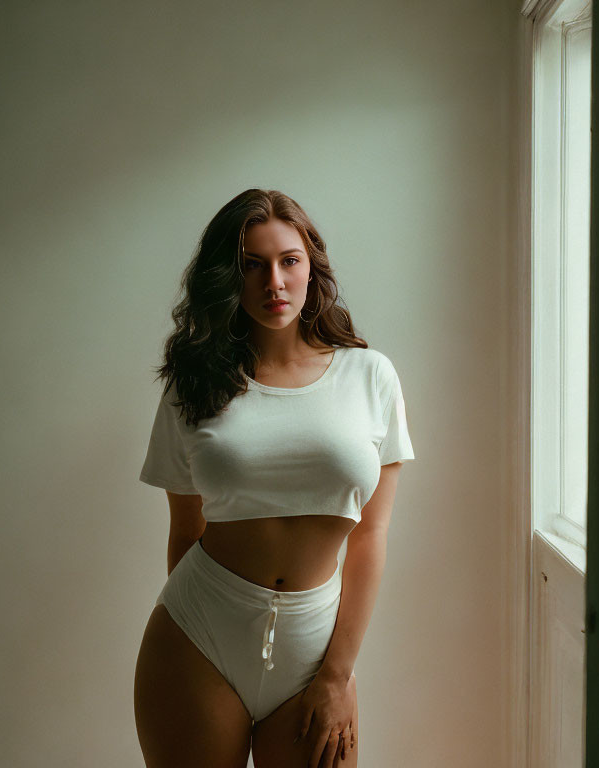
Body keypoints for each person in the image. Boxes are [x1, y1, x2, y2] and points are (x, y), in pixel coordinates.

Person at [133, 188, 415, 768]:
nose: (274, 283)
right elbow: (185, 531)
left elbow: (371, 536)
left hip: (315, 646)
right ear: (226, 279)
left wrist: (337, 674)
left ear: (313, 267)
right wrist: (212, 632)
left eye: (289, 261)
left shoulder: (370, 377)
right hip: (199, 636)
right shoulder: (193, 385)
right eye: (252, 266)